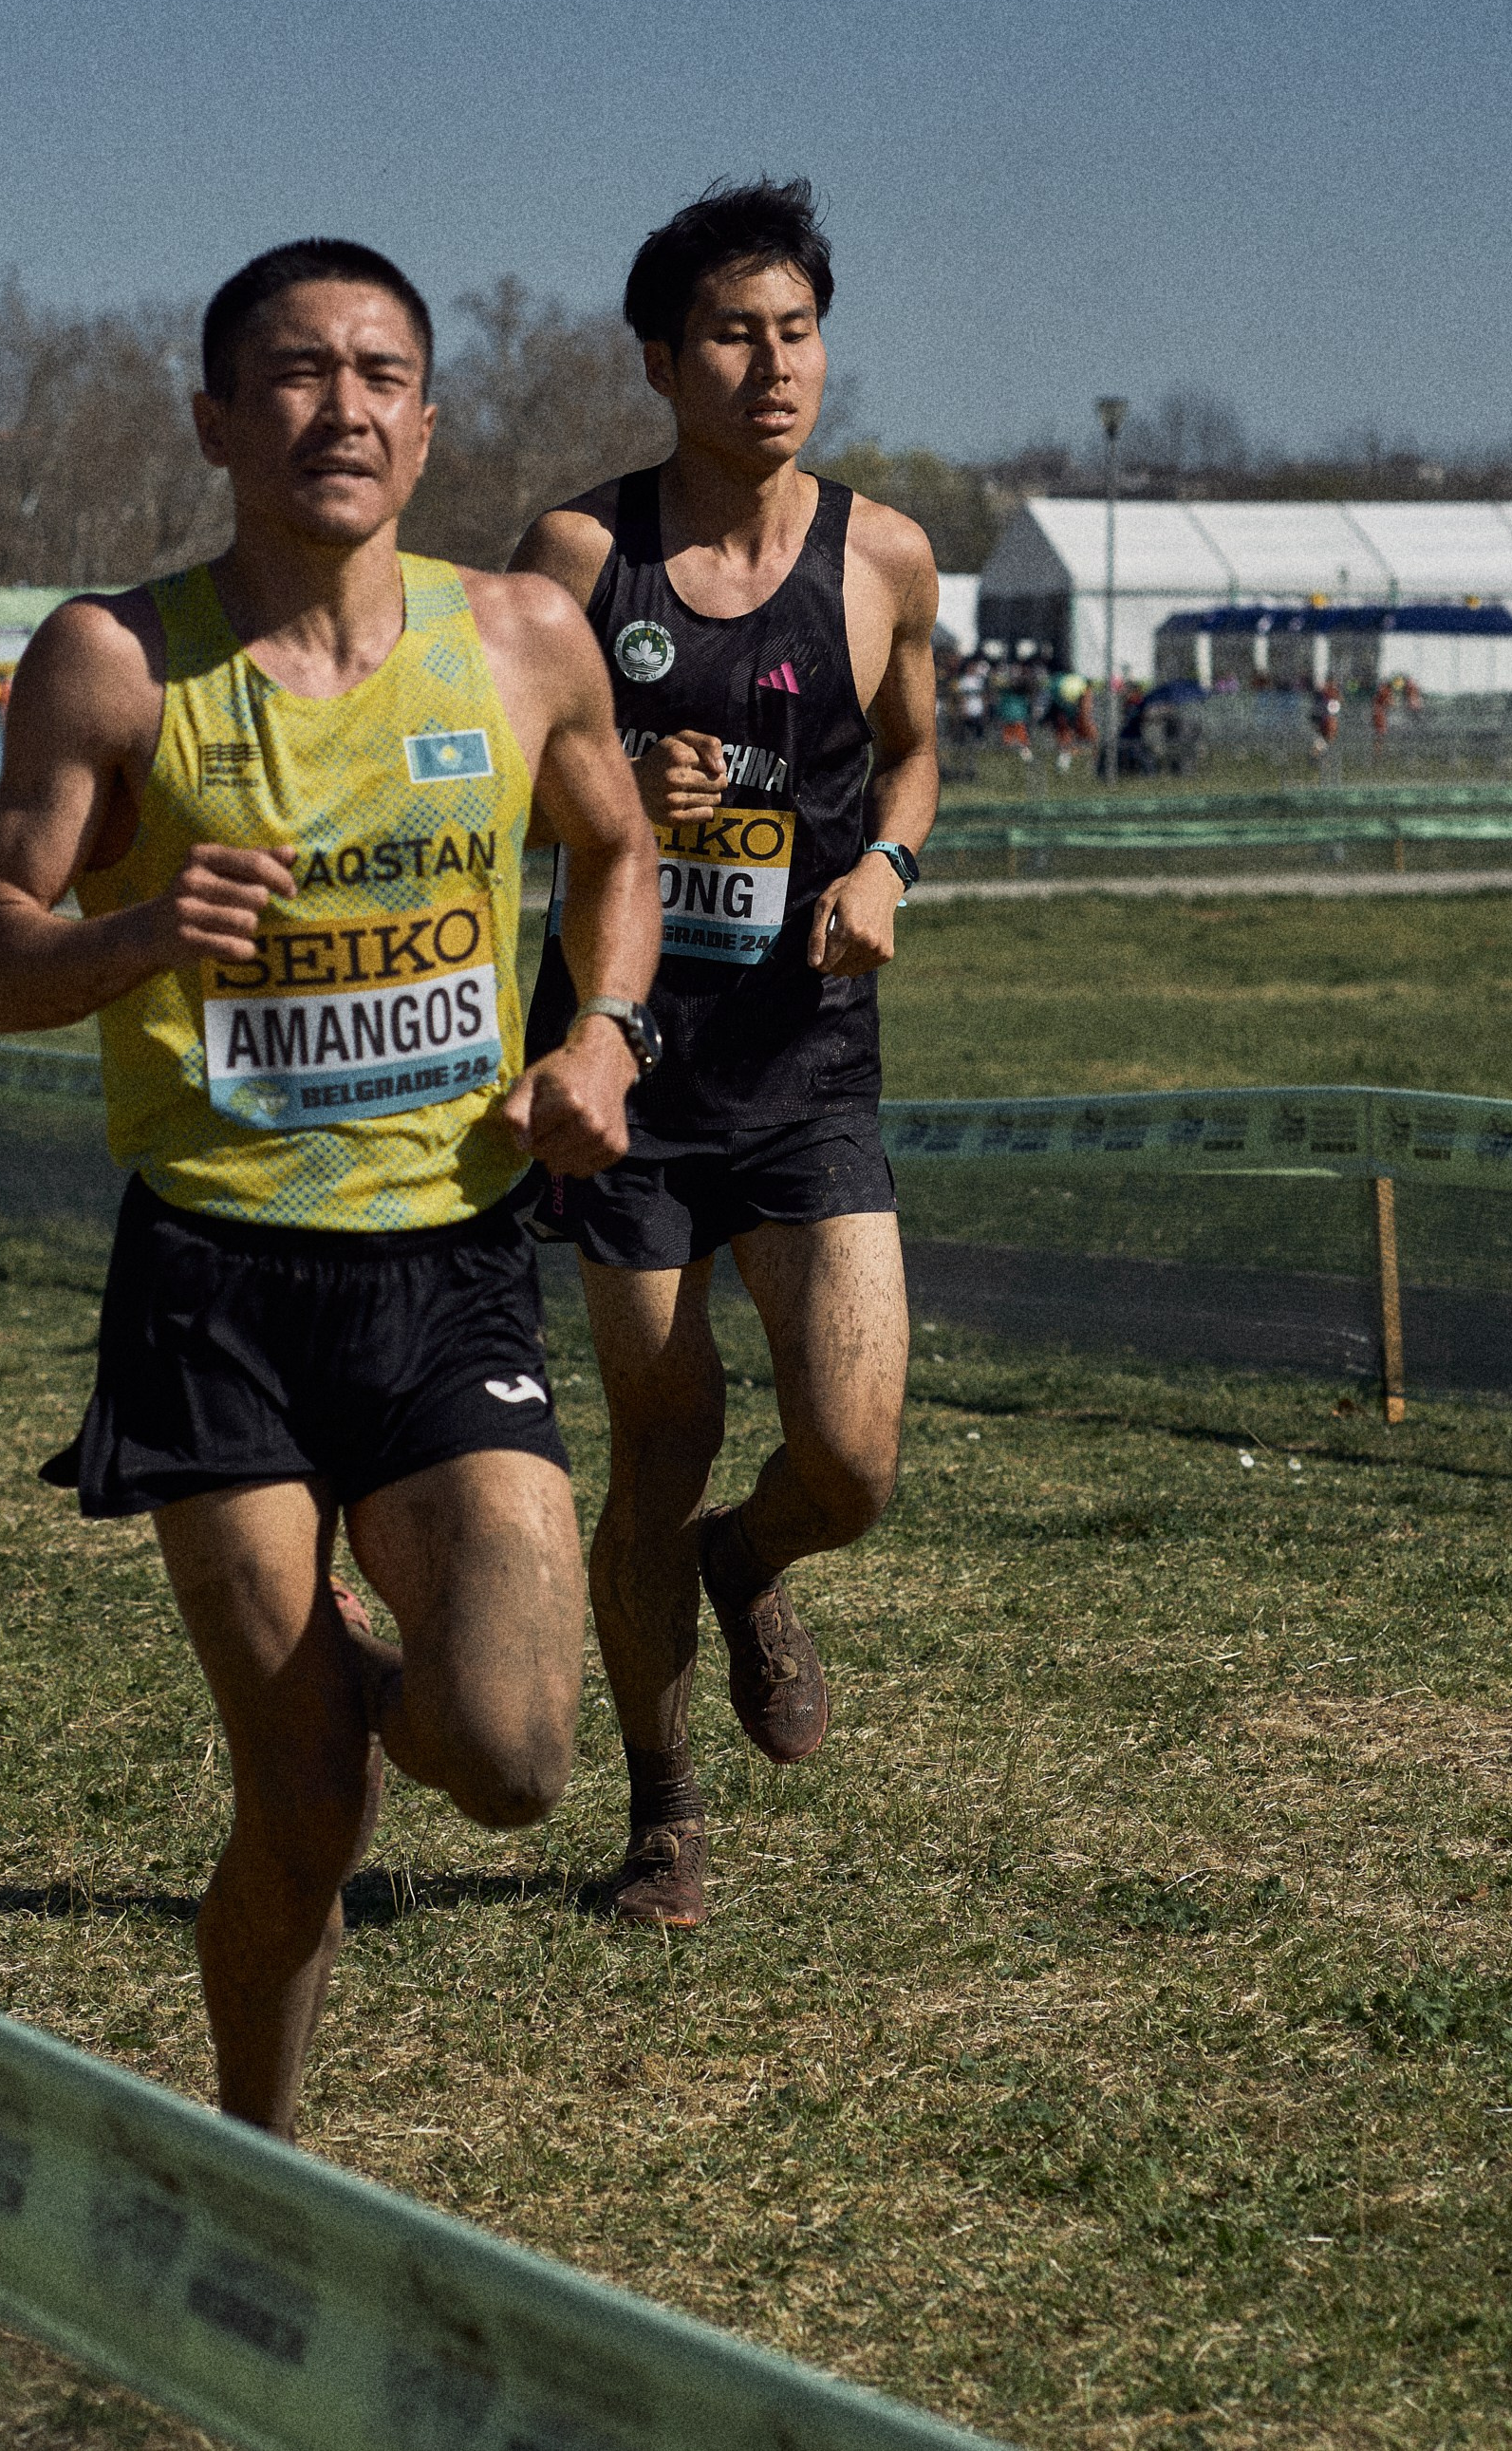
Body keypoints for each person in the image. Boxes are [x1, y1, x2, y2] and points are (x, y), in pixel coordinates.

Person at [0, 239, 661, 2134]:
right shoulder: (116, 660)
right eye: (291, 373)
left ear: (426, 424)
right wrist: (144, 931)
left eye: (377, 374)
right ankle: (261, 2165)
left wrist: (603, 1042)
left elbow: (620, 854)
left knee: (509, 1761)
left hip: (448, 1266)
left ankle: (343, 1654)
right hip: (218, 1292)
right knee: (310, 1808)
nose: (336, 406)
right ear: (213, 417)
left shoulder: (519, 638)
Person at [512, 179, 940, 1930]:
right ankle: (661, 1809)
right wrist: (616, 782)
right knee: (661, 1435)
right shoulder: (572, 558)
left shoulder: (884, 555)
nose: (772, 367)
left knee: (851, 1457)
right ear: (659, 360)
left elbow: (915, 755)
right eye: (732, 336)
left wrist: (884, 867)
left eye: (797, 332)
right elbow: (493, 780)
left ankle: (751, 1563)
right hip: (631, 1083)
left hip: (806, 1066)